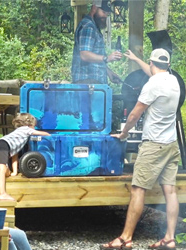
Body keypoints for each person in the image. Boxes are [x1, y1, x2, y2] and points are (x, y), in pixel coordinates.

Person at [101, 48, 180, 250]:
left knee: (138, 189)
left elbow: (135, 114)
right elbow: (153, 72)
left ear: (152, 63)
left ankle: (125, 238)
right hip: (171, 144)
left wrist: (124, 133)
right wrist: (136, 59)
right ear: (167, 64)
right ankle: (170, 238)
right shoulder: (173, 80)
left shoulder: (151, 85)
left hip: (153, 145)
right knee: (170, 191)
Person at [0, 113, 50, 200]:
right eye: (34, 126)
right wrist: (49, 135)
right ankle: (2, 193)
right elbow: (40, 133)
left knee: (7, 173)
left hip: (0, 146)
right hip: (3, 146)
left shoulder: (18, 135)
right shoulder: (26, 129)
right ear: (29, 124)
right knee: (2, 169)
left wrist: (14, 172)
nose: (34, 128)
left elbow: (14, 156)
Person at [71, 0, 122, 84]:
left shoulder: (94, 27)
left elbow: (94, 58)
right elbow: (84, 54)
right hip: (87, 83)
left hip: (92, 83)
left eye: (107, 14)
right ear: (94, 8)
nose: (105, 16)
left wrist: (108, 73)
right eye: (103, 12)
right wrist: (107, 58)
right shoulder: (88, 27)